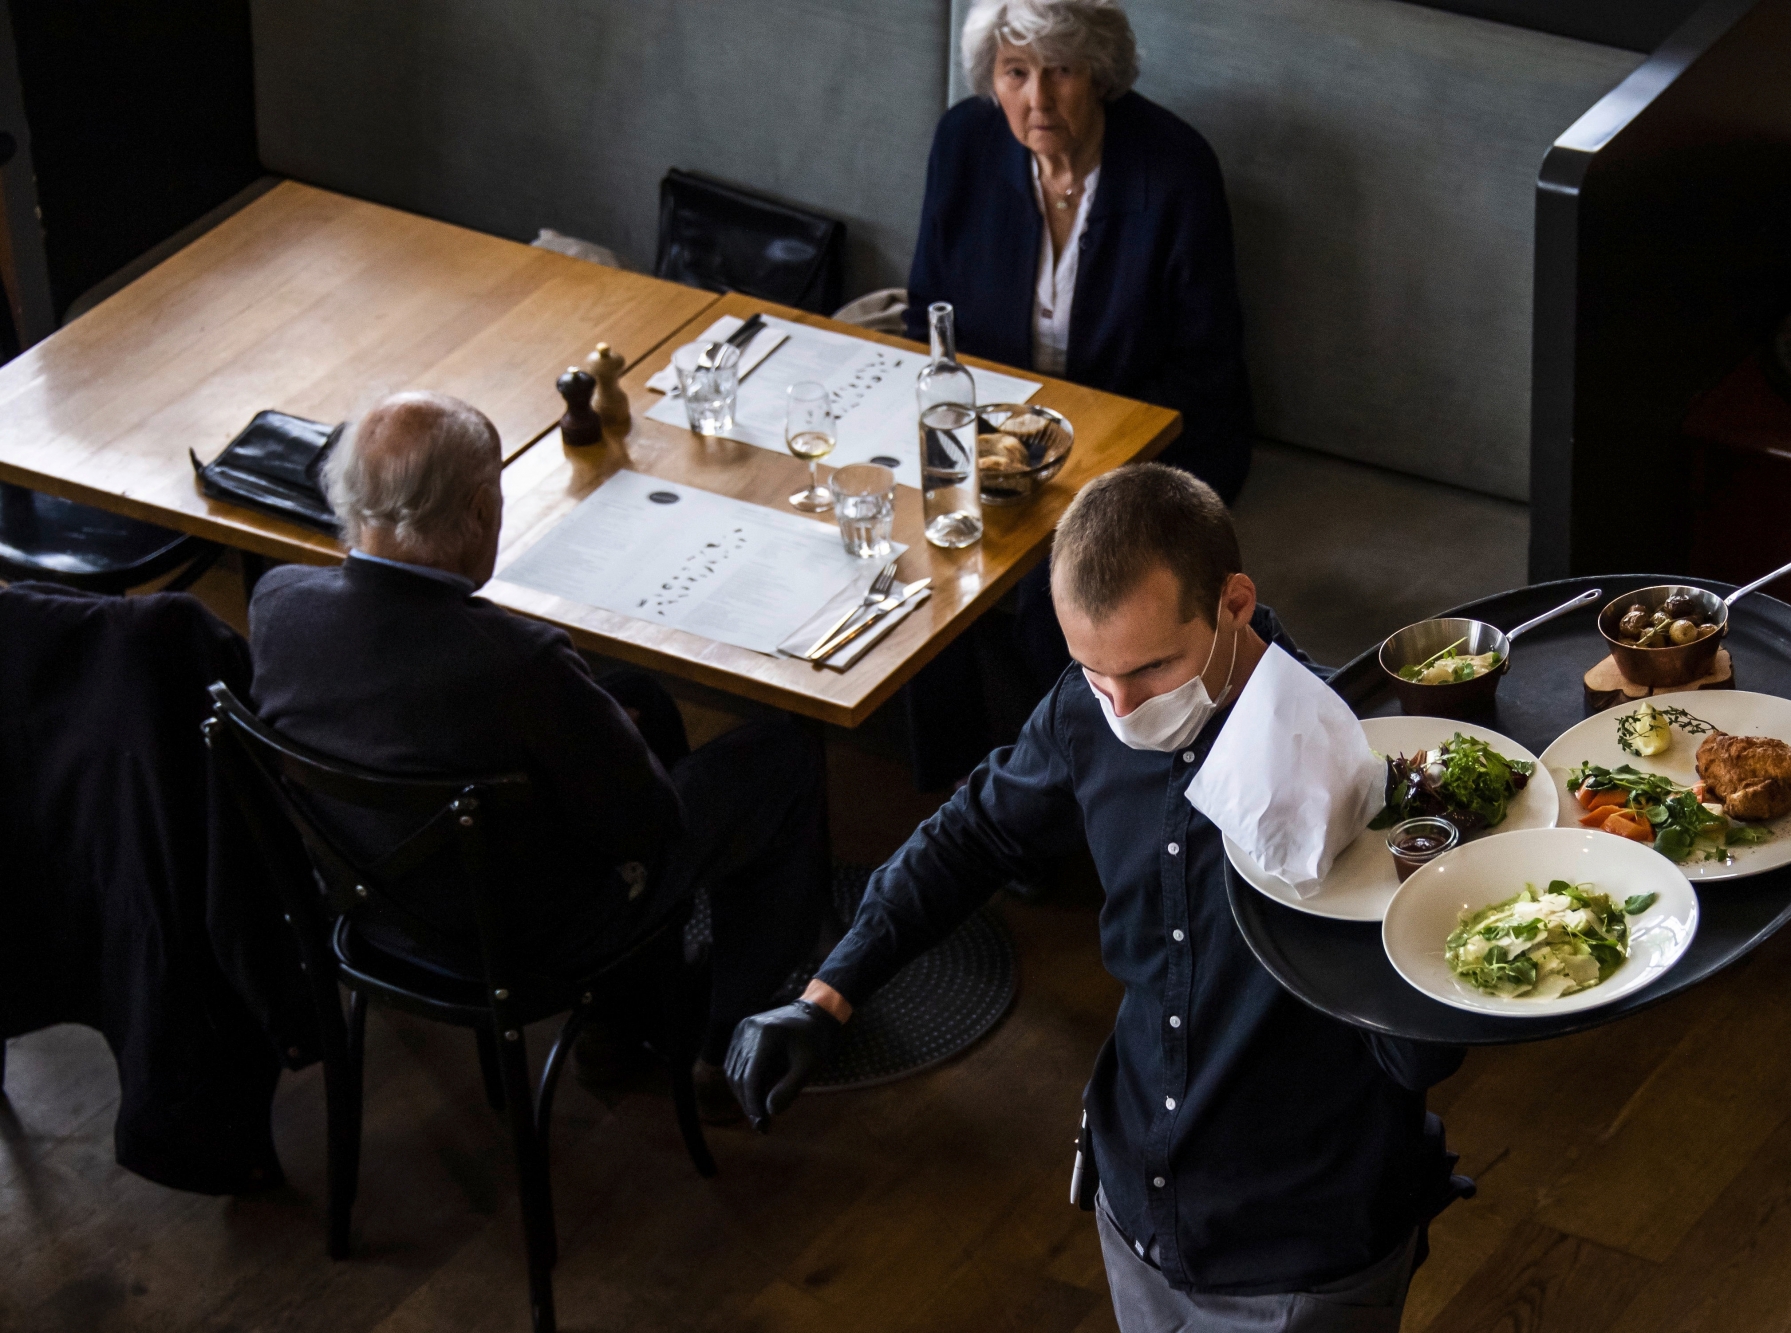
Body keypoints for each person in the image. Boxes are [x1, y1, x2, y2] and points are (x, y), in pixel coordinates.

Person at [727, 464, 1470, 1330]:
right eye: (1093, 670)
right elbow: (972, 835)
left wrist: (1424, 926)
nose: (1122, 708)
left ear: (1234, 602)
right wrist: (828, 998)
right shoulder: (1090, 709)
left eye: (1153, 668)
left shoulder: (1354, 766)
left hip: (1303, 1249)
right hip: (1133, 1204)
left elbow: (1416, 1058)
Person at [248, 391, 827, 1121]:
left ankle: (621, 1026)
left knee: (636, 693)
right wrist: (595, 734)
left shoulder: (278, 604)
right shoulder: (517, 663)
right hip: (532, 933)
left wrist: (593, 722)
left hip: (379, 909)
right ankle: (727, 1044)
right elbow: (650, 826)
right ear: (478, 514)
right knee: (784, 753)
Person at [907, 0, 1254, 504]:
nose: (1039, 99)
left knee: (1056, 572)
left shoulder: (1178, 170)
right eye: (1016, 73)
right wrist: (977, 434)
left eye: (1061, 70)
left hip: (1150, 447)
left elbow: (1205, 368)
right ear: (992, 79)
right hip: (996, 441)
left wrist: (1067, 448)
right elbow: (927, 316)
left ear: (1099, 74)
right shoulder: (962, 142)